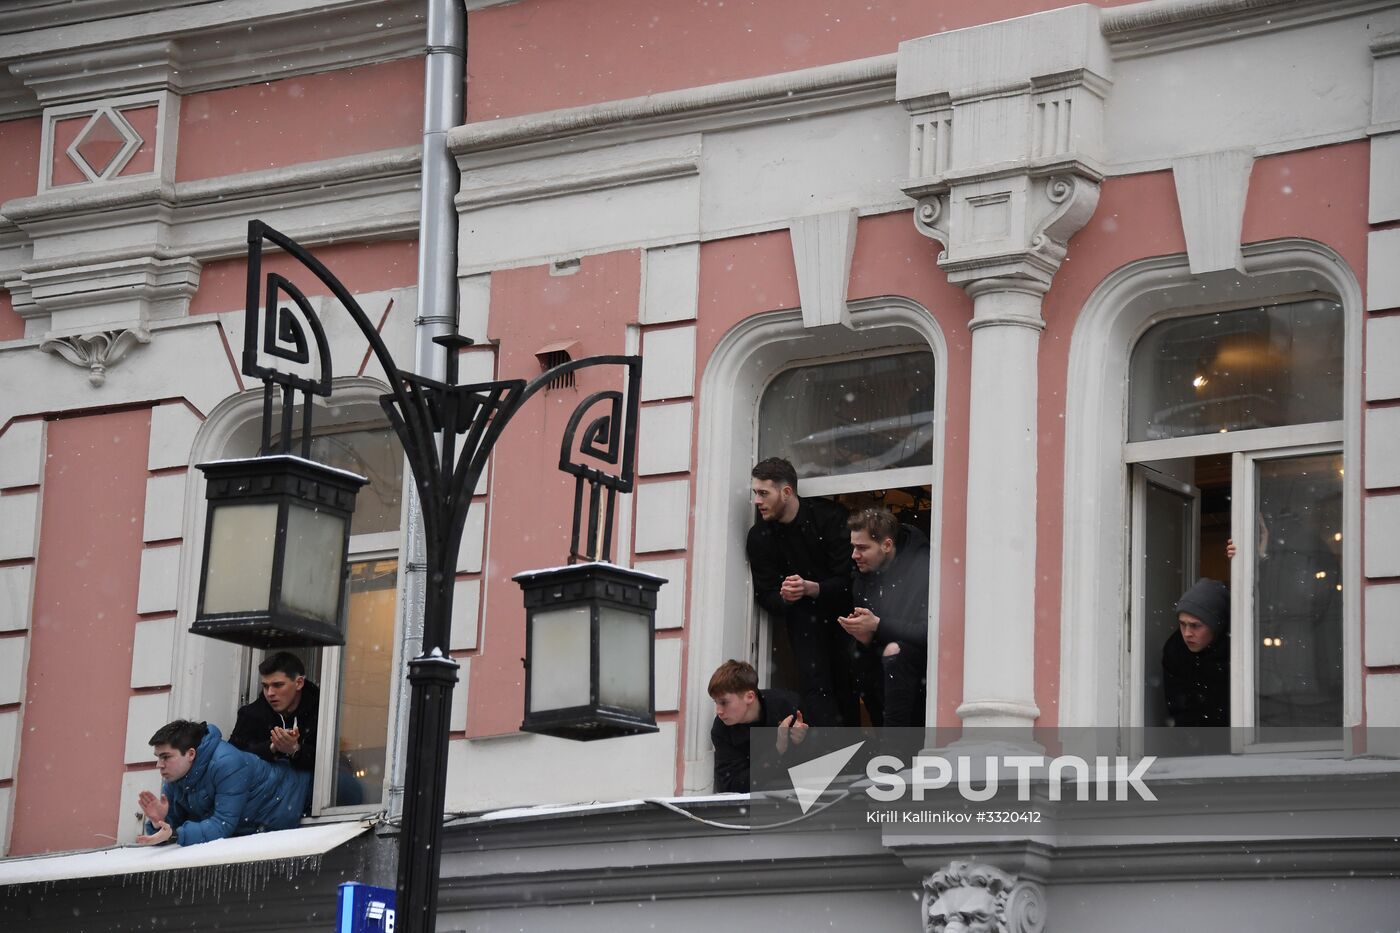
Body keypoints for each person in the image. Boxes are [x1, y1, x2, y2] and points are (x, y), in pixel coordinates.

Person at [745, 457, 856, 726]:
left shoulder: (830, 518)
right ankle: (830, 748)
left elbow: (851, 580)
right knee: (816, 690)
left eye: (763, 493)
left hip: (846, 619)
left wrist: (813, 588)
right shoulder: (760, 536)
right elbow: (765, 594)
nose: (757, 501)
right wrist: (785, 597)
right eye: (755, 493)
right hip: (803, 626)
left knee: (851, 687)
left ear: (786, 492)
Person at [136, 719, 311, 846]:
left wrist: (175, 835)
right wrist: (159, 821)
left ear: (191, 754)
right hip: (253, 828)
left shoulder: (227, 763)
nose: (159, 765)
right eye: (158, 757)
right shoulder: (174, 776)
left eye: (166, 757)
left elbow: (222, 826)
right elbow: (170, 829)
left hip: (294, 799)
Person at [840, 508, 931, 727]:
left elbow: (930, 632)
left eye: (862, 548)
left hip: (922, 676)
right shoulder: (862, 576)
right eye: (853, 547)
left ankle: (894, 741)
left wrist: (877, 625)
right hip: (881, 678)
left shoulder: (923, 569)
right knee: (855, 656)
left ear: (887, 545)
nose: (854, 555)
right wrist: (864, 638)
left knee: (895, 652)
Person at [709, 659, 806, 793]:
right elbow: (733, 787)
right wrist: (778, 749)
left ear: (749, 697)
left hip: (801, 794)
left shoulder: (788, 705)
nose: (718, 711)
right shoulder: (721, 729)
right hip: (756, 801)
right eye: (716, 702)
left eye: (724, 702)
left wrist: (802, 740)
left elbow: (824, 759)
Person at [229, 652, 318, 772]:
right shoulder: (251, 715)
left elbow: (330, 764)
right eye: (265, 686)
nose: (270, 693)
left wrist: (296, 750)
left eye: (278, 685)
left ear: (299, 683)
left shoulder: (322, 713)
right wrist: (272, 747)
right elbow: (231, 760)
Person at [1161, 578, 1230, 727]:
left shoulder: (1235, 652)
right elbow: (1178, 709)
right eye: (1182, 624)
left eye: (1195, 626)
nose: (1187, 633)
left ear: (1216, 626)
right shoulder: (1176, 651)